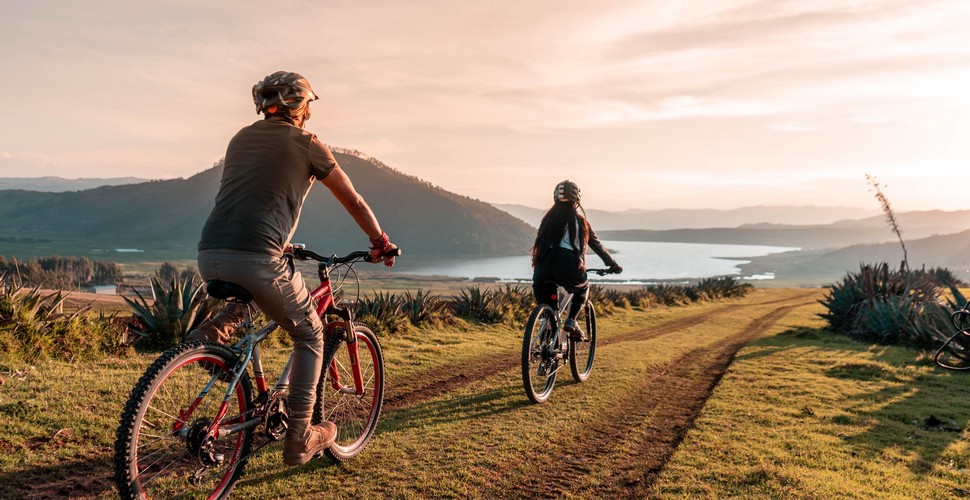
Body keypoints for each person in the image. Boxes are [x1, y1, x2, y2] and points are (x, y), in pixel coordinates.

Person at [186, 71, 397, 466]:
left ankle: (205, 339)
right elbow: (353, 201)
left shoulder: (240, 138)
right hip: (258, 257)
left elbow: (253, 194)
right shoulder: (308, 143)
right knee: (311, 334)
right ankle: (301, 436)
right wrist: (380, 242)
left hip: (211, 250)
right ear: (301, 107)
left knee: (249, 298)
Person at [531, 180, 621, 339]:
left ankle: (547, 328)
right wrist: (613, 265)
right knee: (582, 287)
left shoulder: (548, 220)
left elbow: (539, 242)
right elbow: (597, 246)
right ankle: (572, 321)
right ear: (577, 200)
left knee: (548, 304)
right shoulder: (581, 222)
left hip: (542, 266)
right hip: (568, 265)